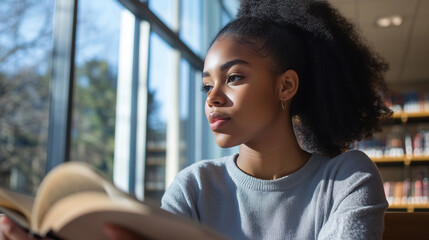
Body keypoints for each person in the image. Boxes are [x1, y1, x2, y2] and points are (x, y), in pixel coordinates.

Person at [0, 0, 392, 239]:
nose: (213, 98)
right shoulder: (195, 185)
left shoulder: (347, 179)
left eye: (234, 77)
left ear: (286, 85)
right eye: (207, 86)